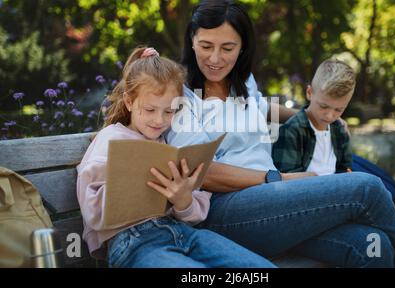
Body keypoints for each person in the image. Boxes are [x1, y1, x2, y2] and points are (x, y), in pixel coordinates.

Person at [163, 0, 395, 267]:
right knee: (365, 187)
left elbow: (261, 107)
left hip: (274, 210)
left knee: (373, 245)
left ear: (242, 48)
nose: (215, 58)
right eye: (206, 46)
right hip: (223, 212)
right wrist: (279, 178)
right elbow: (201, 171)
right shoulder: (180, 94)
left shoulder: (242, 82)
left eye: (227, 48)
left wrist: (314, 116)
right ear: (192, 40)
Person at [76, 47, 276, 268]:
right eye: (150, 109)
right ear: (130, 102)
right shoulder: (111, 138)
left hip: (184, 233)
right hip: (133, 242)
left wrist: (183, 201)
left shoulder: (168, 146)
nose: (159, 120)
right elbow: (93, 212)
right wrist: (128, 187)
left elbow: (195, 214)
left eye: (169, 112)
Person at [272, 58, 395, 243]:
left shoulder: (339, 129)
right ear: (309, 92)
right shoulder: (293, 131)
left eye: (338, 110)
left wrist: (346, 184)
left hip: (341, 199)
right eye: (323, 106)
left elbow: (344, 168)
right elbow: (286, 187)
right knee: (383, 237)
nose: (330, 115)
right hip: (310, 204)